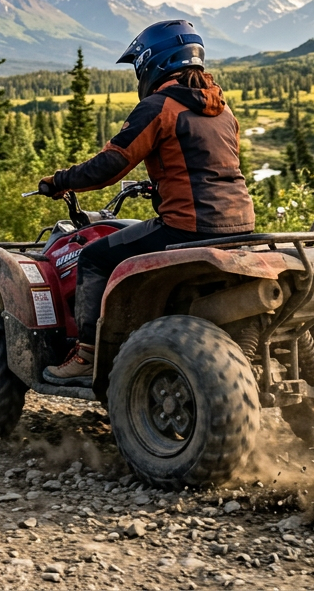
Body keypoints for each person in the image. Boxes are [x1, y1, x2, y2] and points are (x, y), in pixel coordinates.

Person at [38, 20, 256, 385]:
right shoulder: (221, 108)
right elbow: (205, 166)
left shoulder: (159, 106)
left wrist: (60, 181)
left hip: (187, 227)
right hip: (240, 226)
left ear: (153, 61)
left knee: (94, 257)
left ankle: (85, 355)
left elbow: (110, 165)